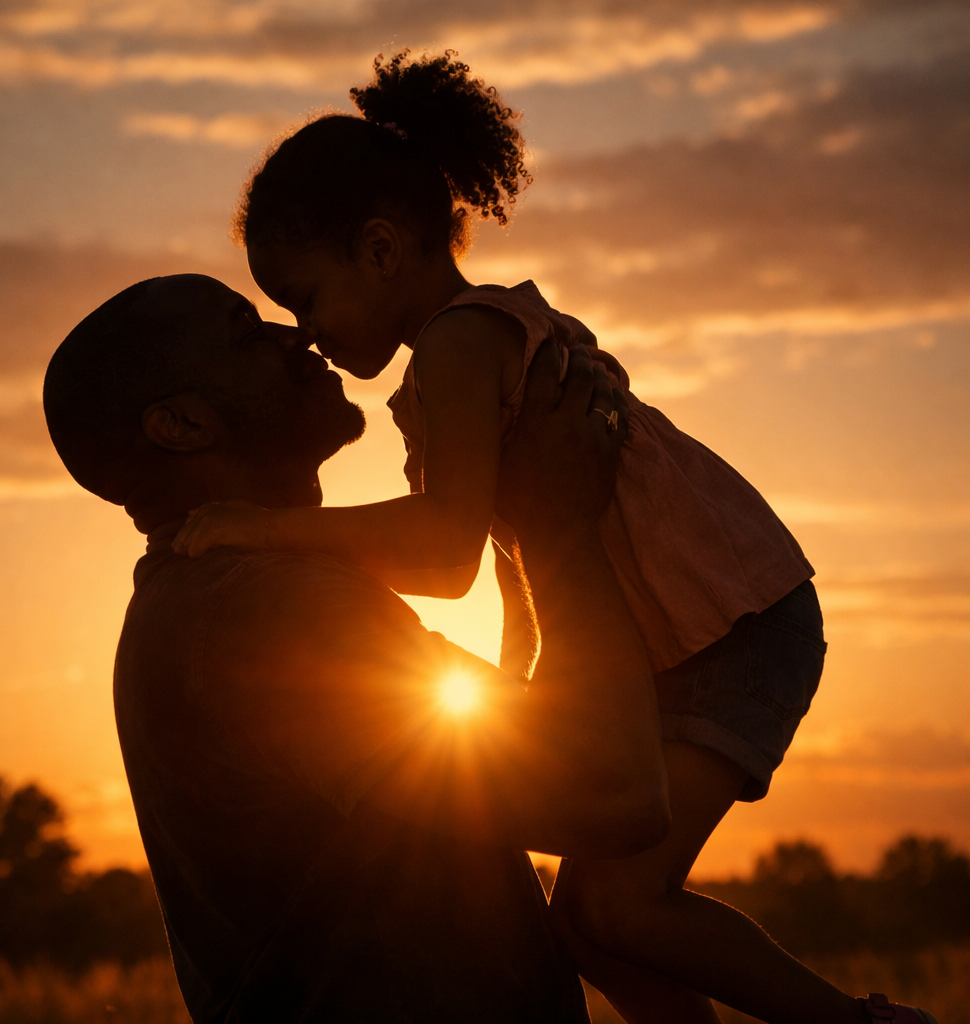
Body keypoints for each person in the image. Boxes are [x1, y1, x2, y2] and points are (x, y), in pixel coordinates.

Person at [168, 52, 938, 1024]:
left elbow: (446, 552)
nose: (305, 334)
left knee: (619, 901)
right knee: (585, 924)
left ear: (377, 249)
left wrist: (269, 531)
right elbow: (515, 555)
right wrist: (527, 700)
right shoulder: (467, 346)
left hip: (727, 627)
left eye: (304, 298)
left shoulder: (459, 344)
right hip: (701, 629)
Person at [42, 272, 672, 1023]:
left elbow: (495, 762)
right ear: (180, 425)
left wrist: (521, 537)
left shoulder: (217, 598)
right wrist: (561, 530)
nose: (298, 335)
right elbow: (612, 791)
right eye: (248, 331)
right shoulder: (261, 610)